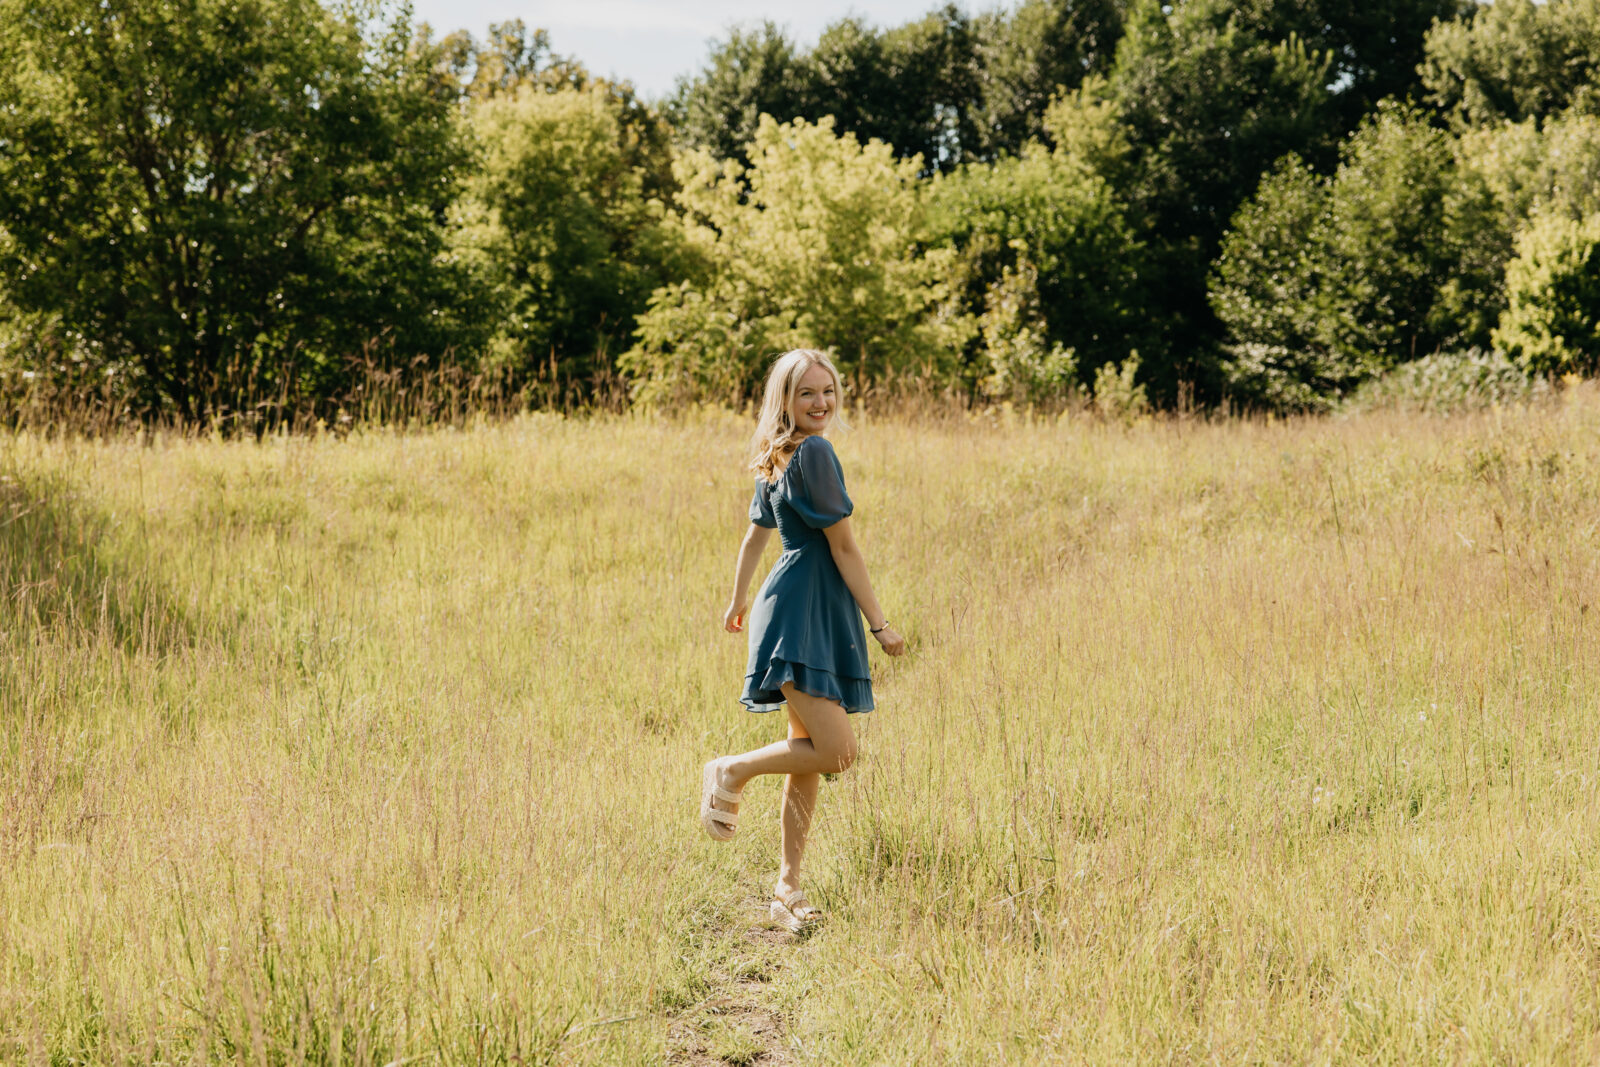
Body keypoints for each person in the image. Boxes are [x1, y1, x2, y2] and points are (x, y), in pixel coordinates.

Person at [699, 348, 906, 933]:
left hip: (800, 610)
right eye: (807, 393)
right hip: (801, 615)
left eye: (828, 391)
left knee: (807, 755)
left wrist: (740, 600)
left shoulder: (780, 452)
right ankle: (730, 769)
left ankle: (786, 889)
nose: (821, 403)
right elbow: (843, 548)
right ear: (784, 401)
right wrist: (880, 625)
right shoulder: (814, 452)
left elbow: (754, 539)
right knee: (838, 751)